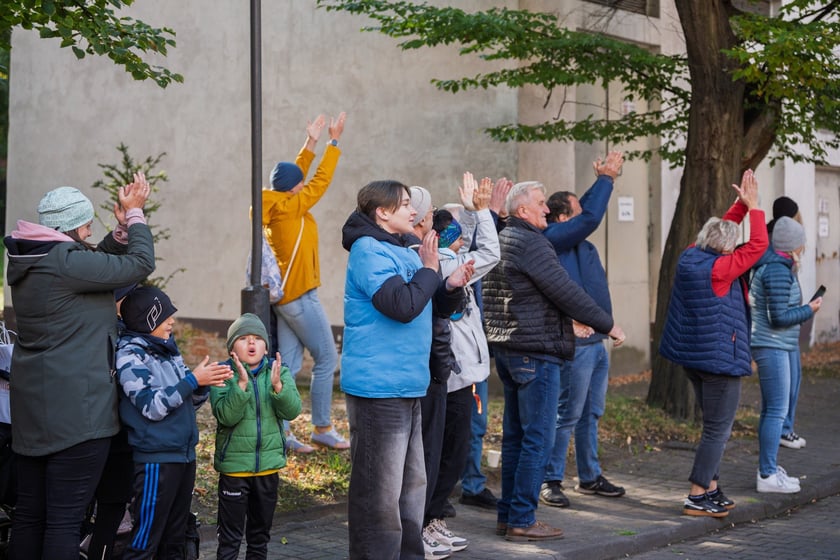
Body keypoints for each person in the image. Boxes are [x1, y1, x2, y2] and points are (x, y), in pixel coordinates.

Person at [3, 179, 155, 559]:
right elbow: (140, 264)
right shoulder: (65, 263)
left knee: (30, 516)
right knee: (64, 521)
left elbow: (89, 265)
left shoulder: (34, 259)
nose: (89, 231)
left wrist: (118, 234)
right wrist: (136, 214)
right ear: (70, 226)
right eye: (86, 224)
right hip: (77, 416)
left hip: (34, 412)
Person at [482, 180, 625, 541]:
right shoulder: (531, 243)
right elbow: (564, 291)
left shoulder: (504, 238)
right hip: (535, 353)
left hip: (511, 351)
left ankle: (508, 515)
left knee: (516, 438)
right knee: (538, 439)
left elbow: (530, 295)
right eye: (541, 203)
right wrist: (607, 324)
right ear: (522, 210)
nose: (547, 209)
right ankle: (522, 519)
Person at [340, 180, 474, 560]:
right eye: (403, 205)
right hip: (378, 388)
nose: (413, 211)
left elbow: (430, 304)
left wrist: (449, 286)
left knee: (411, 489)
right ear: (382, 212)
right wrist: (431, 268)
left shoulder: (402, 249)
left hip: (409, 383)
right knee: (379, 497)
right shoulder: (367, 250)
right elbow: (402, 305)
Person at [659, 169, 768, 518]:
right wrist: (756, 207)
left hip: (694, 358)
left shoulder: (692, 254)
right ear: (726, 248)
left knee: (713, 427)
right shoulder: (721, 268)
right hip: (718, 361)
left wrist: (741, 205)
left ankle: (711, 488)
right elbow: (759, 245)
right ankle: (696, 494)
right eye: (731, 245)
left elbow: (720, 229)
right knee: (717, 430)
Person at [116, 286, 233, 558]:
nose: (172, 321)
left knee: (175, 541)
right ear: (149, 318)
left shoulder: (169, 349)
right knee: (144, 543)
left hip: (184, 456)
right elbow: (152, 406)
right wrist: (192, 380)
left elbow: (187, 402)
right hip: (156, 461)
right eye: (165, 316)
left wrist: (204, 383)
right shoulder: (129, 355)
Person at [540, 151, 626, 508]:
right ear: (562, 219)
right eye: (575, 211)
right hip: (576, 344)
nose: (587, 216)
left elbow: (585, 212)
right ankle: (550, 479)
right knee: (567, 414)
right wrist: (606, 179)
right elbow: (587, 216)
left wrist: (601, 181)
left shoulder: (574, 238)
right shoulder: (555, 237)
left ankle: (589, 476)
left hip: (597, 342)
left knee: (591, 413)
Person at [262, 112, 348, 452]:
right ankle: (322, 427)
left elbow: (294, 175)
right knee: (327, 359)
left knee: (289, 366)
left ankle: (281, 433)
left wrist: (310, 142)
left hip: (287, 298)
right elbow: (319, 180)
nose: (303, 183)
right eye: (299, 182)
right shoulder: (292, 207)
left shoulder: (279, 202)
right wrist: (333, 142)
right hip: (300, 297)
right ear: (293, 188)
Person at [407, 187, 470, 560]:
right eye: (428, 210)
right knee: (424, 457)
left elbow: (441, 310)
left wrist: (450, 285)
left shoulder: (430, 254)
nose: (433, 215)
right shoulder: (418, 254)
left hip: (440, 365)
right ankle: (417, 529)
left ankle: (429, 521)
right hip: (427, 368)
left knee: (445, 452)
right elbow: (417, 309)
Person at [211, 313, 302, 559]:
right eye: (243, 338)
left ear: (266, 347)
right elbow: (226, 417)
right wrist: (241, 385)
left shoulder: (279, 371)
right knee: (229, 540)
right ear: (232, 348)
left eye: (257, 338)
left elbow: (292, 411)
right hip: (234, 471)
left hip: (268, 469)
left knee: (259, 539)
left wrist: (278, 387)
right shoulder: (222, 374)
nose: (252, 343)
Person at [750, 217, 820, 493]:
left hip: (773, 344)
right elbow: (778, 317)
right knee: (777, 411)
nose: (803, 247)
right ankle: (767, 475)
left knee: (771, 410)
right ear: (793, 245)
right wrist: (808, 310)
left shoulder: (774, 265)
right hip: (773, 346)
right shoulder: (778, 270)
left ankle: (768, 469)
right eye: (801, 243)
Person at [458, 177, 512, 512]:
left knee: (475, 423)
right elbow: (480, 249)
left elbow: (488, 249)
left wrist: (495, 215)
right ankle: (463, 484)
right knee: (464, 423)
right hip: (458, 359)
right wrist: (484, 211)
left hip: (476, 355)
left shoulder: (466, 264)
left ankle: (469, 483)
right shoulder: (451, 264)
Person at [766, 195, 808, 449]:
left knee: (793, 377)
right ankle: (783, 430)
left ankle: (785, 428)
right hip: (782, 327)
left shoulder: (772, 241)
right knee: (787, 382)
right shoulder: (778, 247)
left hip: (786, 325)